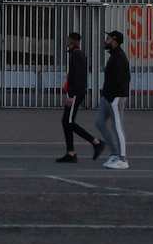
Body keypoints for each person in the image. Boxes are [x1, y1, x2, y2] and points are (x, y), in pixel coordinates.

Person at [56, 32, 104, 163]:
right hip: (76, 92)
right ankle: (70, 153)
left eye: (67, 39)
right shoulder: (77, 54)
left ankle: (96, 142)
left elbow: (77, 77)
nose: (66, 41)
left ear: (71, 41)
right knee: (66, 121)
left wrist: (71, 95)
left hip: (76, 93)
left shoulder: (76, 55)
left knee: (69, 122)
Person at [95, 30, 131, 169]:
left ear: (114, 41)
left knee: (117, 127)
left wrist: (112, 96)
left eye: (108, 38)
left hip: (115, 98)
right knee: (99, 122)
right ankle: (114, 154)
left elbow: (123, 80)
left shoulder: (120, 57)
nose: (106, 40)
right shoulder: (114, 56)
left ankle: (122, 159)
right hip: (107, 97)